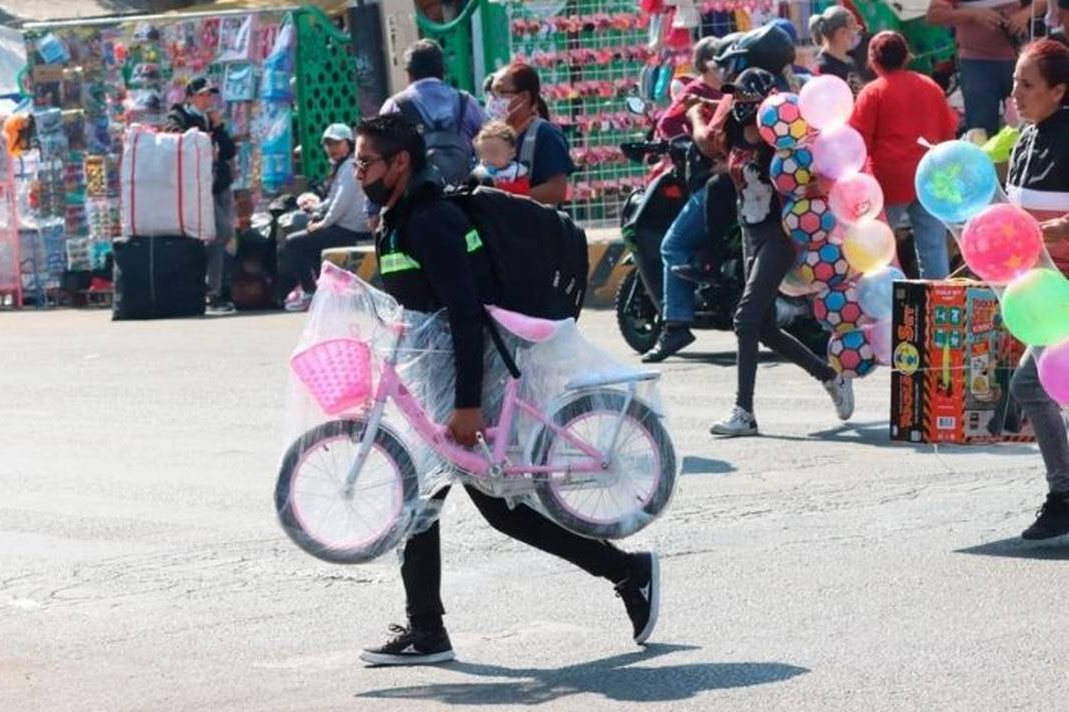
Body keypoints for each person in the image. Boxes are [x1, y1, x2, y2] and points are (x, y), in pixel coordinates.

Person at [352, 114, 658, 666]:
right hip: (443, 376)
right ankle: (428, 630)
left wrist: (468, 404)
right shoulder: (399, 216)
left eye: (365, 162)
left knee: (486, 508)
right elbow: (420, 306)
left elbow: (466, 315)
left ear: (399, 162)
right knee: (429, 500)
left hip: (476, 377)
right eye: (354, 163)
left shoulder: (430, 221)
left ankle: (627, 571)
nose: (357, 174)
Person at [706, 69, 855, 437]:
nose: (738, 105)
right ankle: (828, 375)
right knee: (766, 328)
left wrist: (818, 185)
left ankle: (744, 412)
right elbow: (714, 148)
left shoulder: (784, 139)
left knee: (745, 319)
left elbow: (811, 173)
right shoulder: (735, 133)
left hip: (781, 235)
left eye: (745, 99)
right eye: (735, 98)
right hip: (750, 233)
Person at [1003, 38, 1069, 540]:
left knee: (1030, 385)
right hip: (1041, 294)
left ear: (1059, 90)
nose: (1016, 93)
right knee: (1033, 385)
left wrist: (1060, 228)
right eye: (1014, 82)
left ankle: (1063, 495)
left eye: (1027, 84)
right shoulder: (1026, 139)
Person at [645, 39, 730, 362]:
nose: (724, 69)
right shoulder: (696, 91)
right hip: (730, 180)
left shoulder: (730, 93)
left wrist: (696, 115)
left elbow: (708, 143)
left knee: (673, 245)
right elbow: (666, 127)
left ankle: (676, 324)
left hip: (722, 182)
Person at [850, 31, 959, 279]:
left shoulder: (872, 93)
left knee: (879, 251)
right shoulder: (929, 86)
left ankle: (886, 309)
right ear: (906, 56)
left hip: (888, 183)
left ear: (872, 60)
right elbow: (948, 133)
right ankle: (936, 309)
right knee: (933, 249)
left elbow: (857, 142)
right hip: (929, 179)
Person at [164, 77, 238, 313]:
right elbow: (173, 136)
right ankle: (204, 284)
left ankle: (213, 291)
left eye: (210, 95)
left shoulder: (212, 118)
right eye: (203, 95)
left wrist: (218, 127)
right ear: (191, 97)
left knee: (220, 238)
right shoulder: (181, 116)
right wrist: (202, 138)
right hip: (196, 188)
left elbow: (228, 152)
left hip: (218, 185)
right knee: (222, 230)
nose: (208, 99)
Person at [282, 124, 371, 312]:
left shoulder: (350, 166)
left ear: (349, 143)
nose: (333, 148)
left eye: (338, 143)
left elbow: (341, 203)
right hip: (344, 225)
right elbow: (333, 200)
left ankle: (310, 293)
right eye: (329, 144)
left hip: (351, 228)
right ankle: (325, 292)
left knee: (293, 243)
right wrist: (315, 207)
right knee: (311, 242)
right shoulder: (342, 166)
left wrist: (323, 223)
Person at [926, 0, 1046, 135]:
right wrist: (973, 15)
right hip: (976, 63)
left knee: (1030, 122)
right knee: (981, 129)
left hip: (1019, 59)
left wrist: (1025, 14)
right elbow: (933, 15)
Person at [380, 39, 485, 185]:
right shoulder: (467, 102)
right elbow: (490, 140)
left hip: (416, 197)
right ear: (443, 71)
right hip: (464, 194)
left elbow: (380, 158)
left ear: (409, 74)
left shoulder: (395, 106)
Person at [487, 63, 576, 206]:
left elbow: (557, 190)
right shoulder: (493, 135)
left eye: (500, 93)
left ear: (523, 97)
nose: (492, 100)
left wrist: (508, 200)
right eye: (491, 93)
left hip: (535, 225)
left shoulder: (545, 134)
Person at [809, 5, 866, 94]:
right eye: (854, 29)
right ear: (841, 33)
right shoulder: (823, 68)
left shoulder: (850, 62)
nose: (857, 34)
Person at [470, 120, 531, 195]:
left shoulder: (516, 171)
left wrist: (498, 186)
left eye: (494, 152)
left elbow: (524, 190)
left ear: (511, 154)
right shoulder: (481, 172)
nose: (489, 158)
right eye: (484, 153)